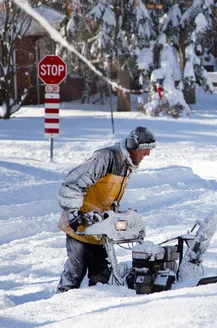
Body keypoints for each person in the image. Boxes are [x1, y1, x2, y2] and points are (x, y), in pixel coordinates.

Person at [56, 126, 156, 293]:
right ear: (133, 147)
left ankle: (96, 308)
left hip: (100, 228)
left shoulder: (126, 166)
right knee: (75, 273)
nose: (148, 154)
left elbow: (106, 195)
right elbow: (73, 182)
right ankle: (61, 306)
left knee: (102, 277)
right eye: (145, 149)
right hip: (80, 225)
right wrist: (74, 213)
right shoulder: (106, 157)